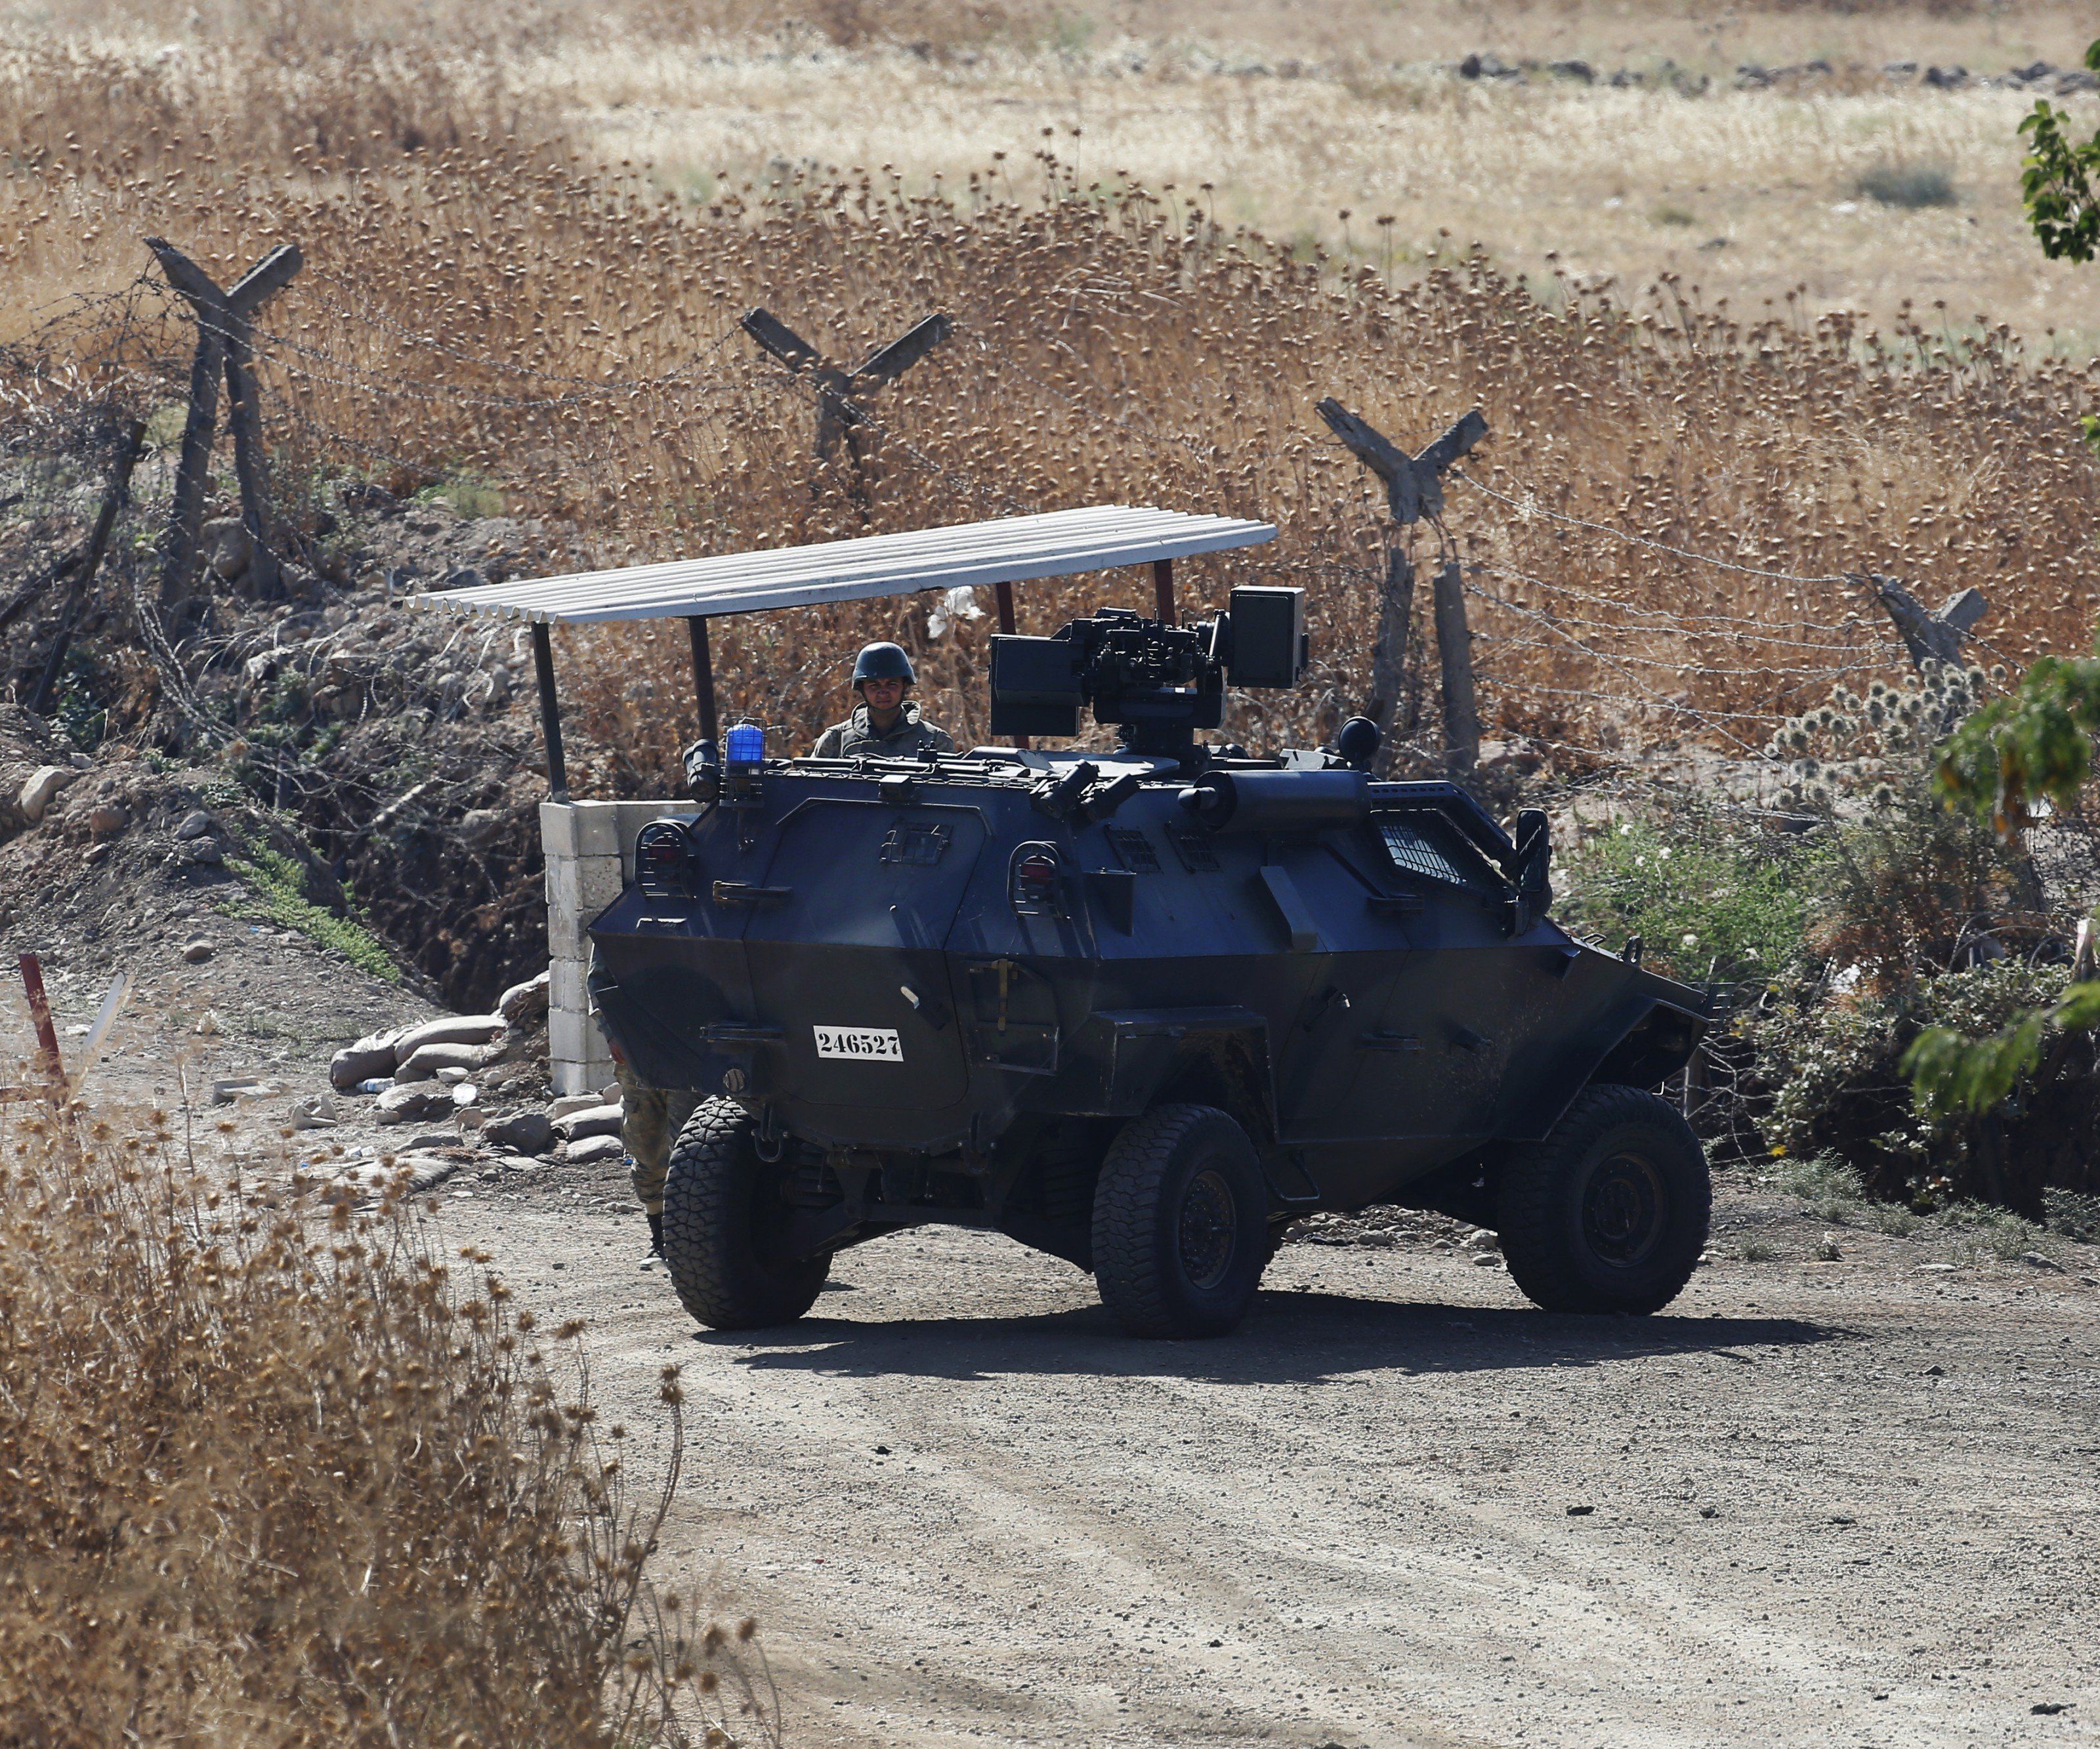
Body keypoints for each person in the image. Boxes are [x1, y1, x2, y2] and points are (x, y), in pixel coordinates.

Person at [810, 642, 956, 759]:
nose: (883, 692)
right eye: (874, 686)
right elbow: (810, 782)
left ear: (904, 686)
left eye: (892, 684)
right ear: (862, 689)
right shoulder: (836, 739)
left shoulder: (935, 740)